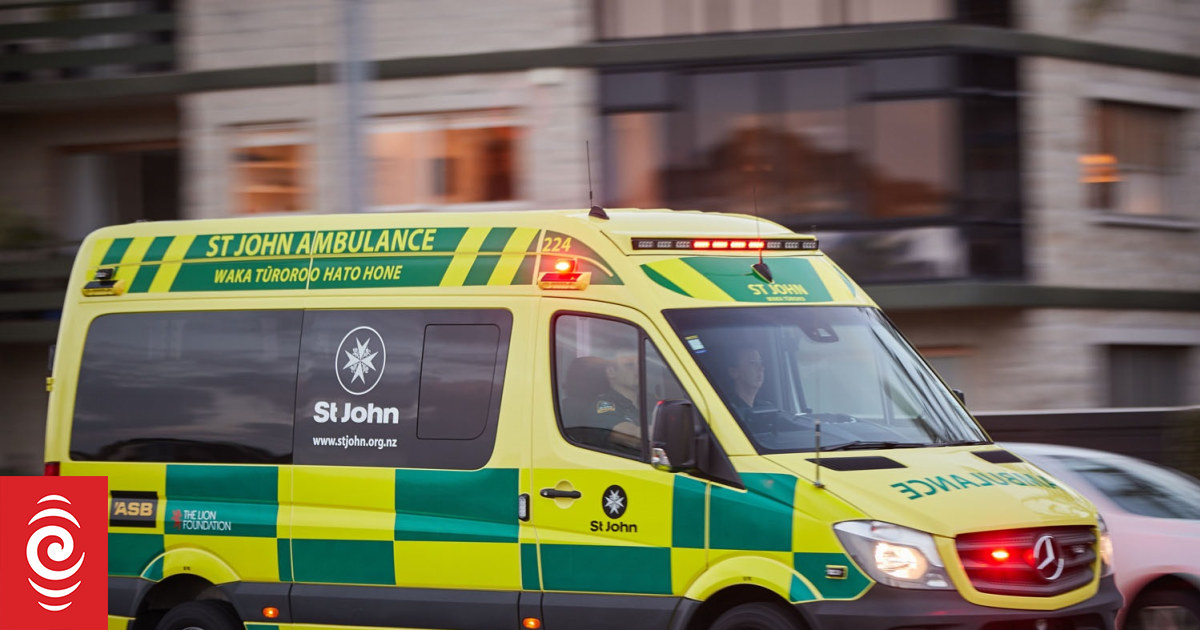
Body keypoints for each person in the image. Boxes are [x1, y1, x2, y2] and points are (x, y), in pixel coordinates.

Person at [588, 351, 642, 453]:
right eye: (629, 365)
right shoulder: (603, 405)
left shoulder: (652, 401)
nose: (639, 369)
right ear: (611, 372)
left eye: (641, 364)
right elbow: (632, 438)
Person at [725, 347, 776, 423]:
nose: (761, 368)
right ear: (734, 372)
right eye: (753, 363)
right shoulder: (727, 411)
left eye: (761, 363)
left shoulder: (766, 408)